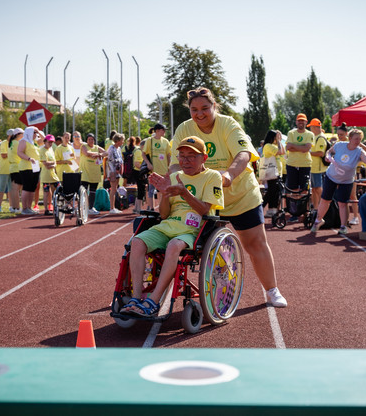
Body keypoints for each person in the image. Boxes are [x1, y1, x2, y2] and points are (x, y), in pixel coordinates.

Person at [161, 87, 286, 307]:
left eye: (205, 108)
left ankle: (272, 290)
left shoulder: (228, 124)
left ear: (214, 107)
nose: (200, 114)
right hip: (203, 200)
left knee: (255, 244)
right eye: (194, 109)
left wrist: (228, 174)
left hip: (240, 194)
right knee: (195, 245)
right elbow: (174, 164)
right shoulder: (184, 128)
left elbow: (243, 154)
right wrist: (172, 182)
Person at [122, 136, 224, 316]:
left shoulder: (212, 177)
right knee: (137, 242)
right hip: (169, 225)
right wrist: (165, 194)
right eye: (182, 156)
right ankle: (136, 298)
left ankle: (153, 301)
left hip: (193, 231)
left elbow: (204, 210)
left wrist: (184, 192)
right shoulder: (176, 176)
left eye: (191, 156)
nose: (185, 161)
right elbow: (163, 215)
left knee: (174, 245)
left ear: (204, 158)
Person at [312, 128, 366, 235]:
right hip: (331, 176)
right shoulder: (339, 145)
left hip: (347, 180)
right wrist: (328, 156)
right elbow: (329, 151)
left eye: (360, 139)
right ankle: (318, 220)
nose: (358, 141)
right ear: (350, 138)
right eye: (356, 139)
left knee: (342, 203)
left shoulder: (359, 151)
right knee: (325, 200)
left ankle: (343, 226)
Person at [143, 123, 171, 211]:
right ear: (158, 131)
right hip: (153, 170)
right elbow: (143, 153)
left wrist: (169, 166)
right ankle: (151, 208)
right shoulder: (149, 140)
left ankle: (161, 208)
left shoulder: (165, 141)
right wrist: (148, 163)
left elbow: (168, 155)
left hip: (164, 170)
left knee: (163, 191)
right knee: (151, 190)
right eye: (163, 130)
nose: (164, 132)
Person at [336, 123, 360, 225]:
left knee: (352, 195)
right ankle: (341, 218)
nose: (339, 137)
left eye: (341, 135)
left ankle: (355, 216)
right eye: (338, 135)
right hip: (338, 175)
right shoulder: (338, 145)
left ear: (347, 134)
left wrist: (359, 142)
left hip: (350, 174)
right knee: (340, 197)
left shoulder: (353, 145)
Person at [284, 113, 313, 198]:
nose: (301, 122)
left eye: (303, 121)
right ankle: (295, 208)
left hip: (305, 164)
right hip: (291, 164)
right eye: (299, 120)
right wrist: (302, 148)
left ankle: (303, 208)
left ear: (306, 122)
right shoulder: (291, 133)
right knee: (293, 189)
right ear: (296, 122)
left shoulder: (309, 134)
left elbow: (307, 148)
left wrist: (294, 146)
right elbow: (288, 147)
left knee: (304, 189)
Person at [17, 126, 44, 215]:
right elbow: (19, 152)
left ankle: (29, 207)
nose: (36, 134)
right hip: (26, 167)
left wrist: (39, 132)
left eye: (36, 133)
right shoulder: (23, 141)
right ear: (29, 133)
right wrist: (28, 158)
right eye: (34, 132)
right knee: (27, 187)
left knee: (33, 187)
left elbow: (44, 140)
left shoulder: (34, 142)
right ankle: (24, 208)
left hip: (36, 167)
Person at [260, 130, 285, 217]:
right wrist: (278, 141)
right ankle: (260, 207)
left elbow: (283, 151)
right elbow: (280, 152)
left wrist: (279, 141)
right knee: (271, 191)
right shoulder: (268, 146)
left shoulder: (273, 145)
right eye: (276, 137)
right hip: (272, 172)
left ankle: (272, 210)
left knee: (275, 192)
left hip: (276, 172)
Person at [80, 132, 106, 215]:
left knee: (93, 191)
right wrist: (98, 154)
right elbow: (87, 153)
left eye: (92, 139)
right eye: (89, 139)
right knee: (83, 190)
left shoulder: (97, 147)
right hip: (85, 172)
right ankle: (82, 207)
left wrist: (99, 154)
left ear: (94, 140)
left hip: (95, 172)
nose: (90, 141)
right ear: (86, 140)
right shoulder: (83, 146)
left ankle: (91, 207)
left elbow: (106, 153)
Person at [308, 118, 328, 208]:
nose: (310, 129)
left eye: (311, 127)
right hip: (314, 167)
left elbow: (321, 153)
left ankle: (321, 206)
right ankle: (316, 207)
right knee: (315, 189)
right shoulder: (316, 137)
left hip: (318, 169)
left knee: (318, 188)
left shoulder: (320, 138)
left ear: (315, 127)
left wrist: (307, 152)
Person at [39, 134, 59, 216]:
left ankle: (53, 206)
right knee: (46, 192)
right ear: (45, 142)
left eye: (52, 142)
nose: (50, 144)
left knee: (58, 188)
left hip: (53, 174)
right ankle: (46, 209)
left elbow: (54, 162)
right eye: (49, 142)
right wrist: (52, 163)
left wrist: (52, 164)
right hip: (46, 175)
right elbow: (45, 163)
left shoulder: (51, 150)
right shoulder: (42, 150)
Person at [106, 133, 125, 214]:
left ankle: (113, 207)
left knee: (115, 188)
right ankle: (111, 208)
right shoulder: (111, 148)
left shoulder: (119, 149)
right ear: (117, 141)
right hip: (112, 171)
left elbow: (120, 158)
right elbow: (108, 158)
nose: (123, 142)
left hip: (118, 171)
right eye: (122, 140)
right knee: (113, 188)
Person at [0, 129, 13, 212]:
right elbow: (3, 155)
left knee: (11, 189)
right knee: (1, 188)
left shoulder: (15, 142)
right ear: (9, 135)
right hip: (4, 169)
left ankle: (11, 206)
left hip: (12, 169)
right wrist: (14, 154)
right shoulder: (4, 143)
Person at [8, 128, 24, 213]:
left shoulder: (11, 143)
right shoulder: (17, 143)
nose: (23, 135)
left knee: (14, 188)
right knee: (17, 189)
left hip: (12, 167)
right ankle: (17, 207)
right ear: (18, 134)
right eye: (22, 134)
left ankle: (14, 207)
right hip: (17, 167)